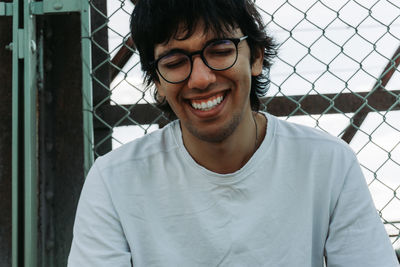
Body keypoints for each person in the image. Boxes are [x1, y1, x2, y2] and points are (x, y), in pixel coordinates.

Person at [68, 0, 399, 266]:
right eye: (174, 61)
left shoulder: (326, 163)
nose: (200, 78)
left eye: (220, 50)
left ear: (255, 57)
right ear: (157, 81)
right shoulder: (114, 180)